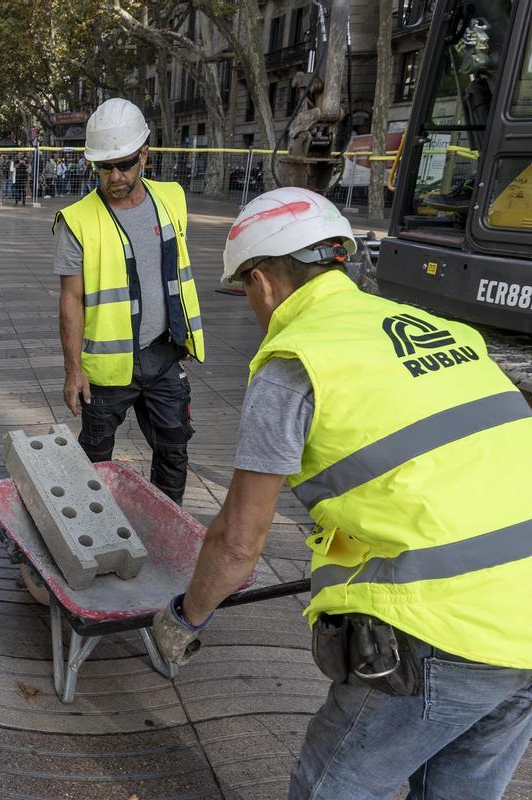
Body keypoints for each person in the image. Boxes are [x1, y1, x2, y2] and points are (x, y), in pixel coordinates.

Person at [149, 187, 532, 800]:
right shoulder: (439, 330)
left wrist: (184, 617)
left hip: (447, 629)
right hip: (525, 619)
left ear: (265, 282)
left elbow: (237, 545)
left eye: (244, 290)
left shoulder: (296, 363)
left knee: (332, 788)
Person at [55, 98, 204, 505]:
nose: (115, 176)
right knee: (94, 457)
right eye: (104, 167)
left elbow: (173, 273)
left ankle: (165, 529)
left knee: (174, 450)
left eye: (124, 164)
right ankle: (87, 532)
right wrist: (73, 371)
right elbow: (71, 300)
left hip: (164, 354)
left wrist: (183, 333)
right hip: (107, 368)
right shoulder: (77, 220)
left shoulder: (173, 200)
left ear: (145, 155)